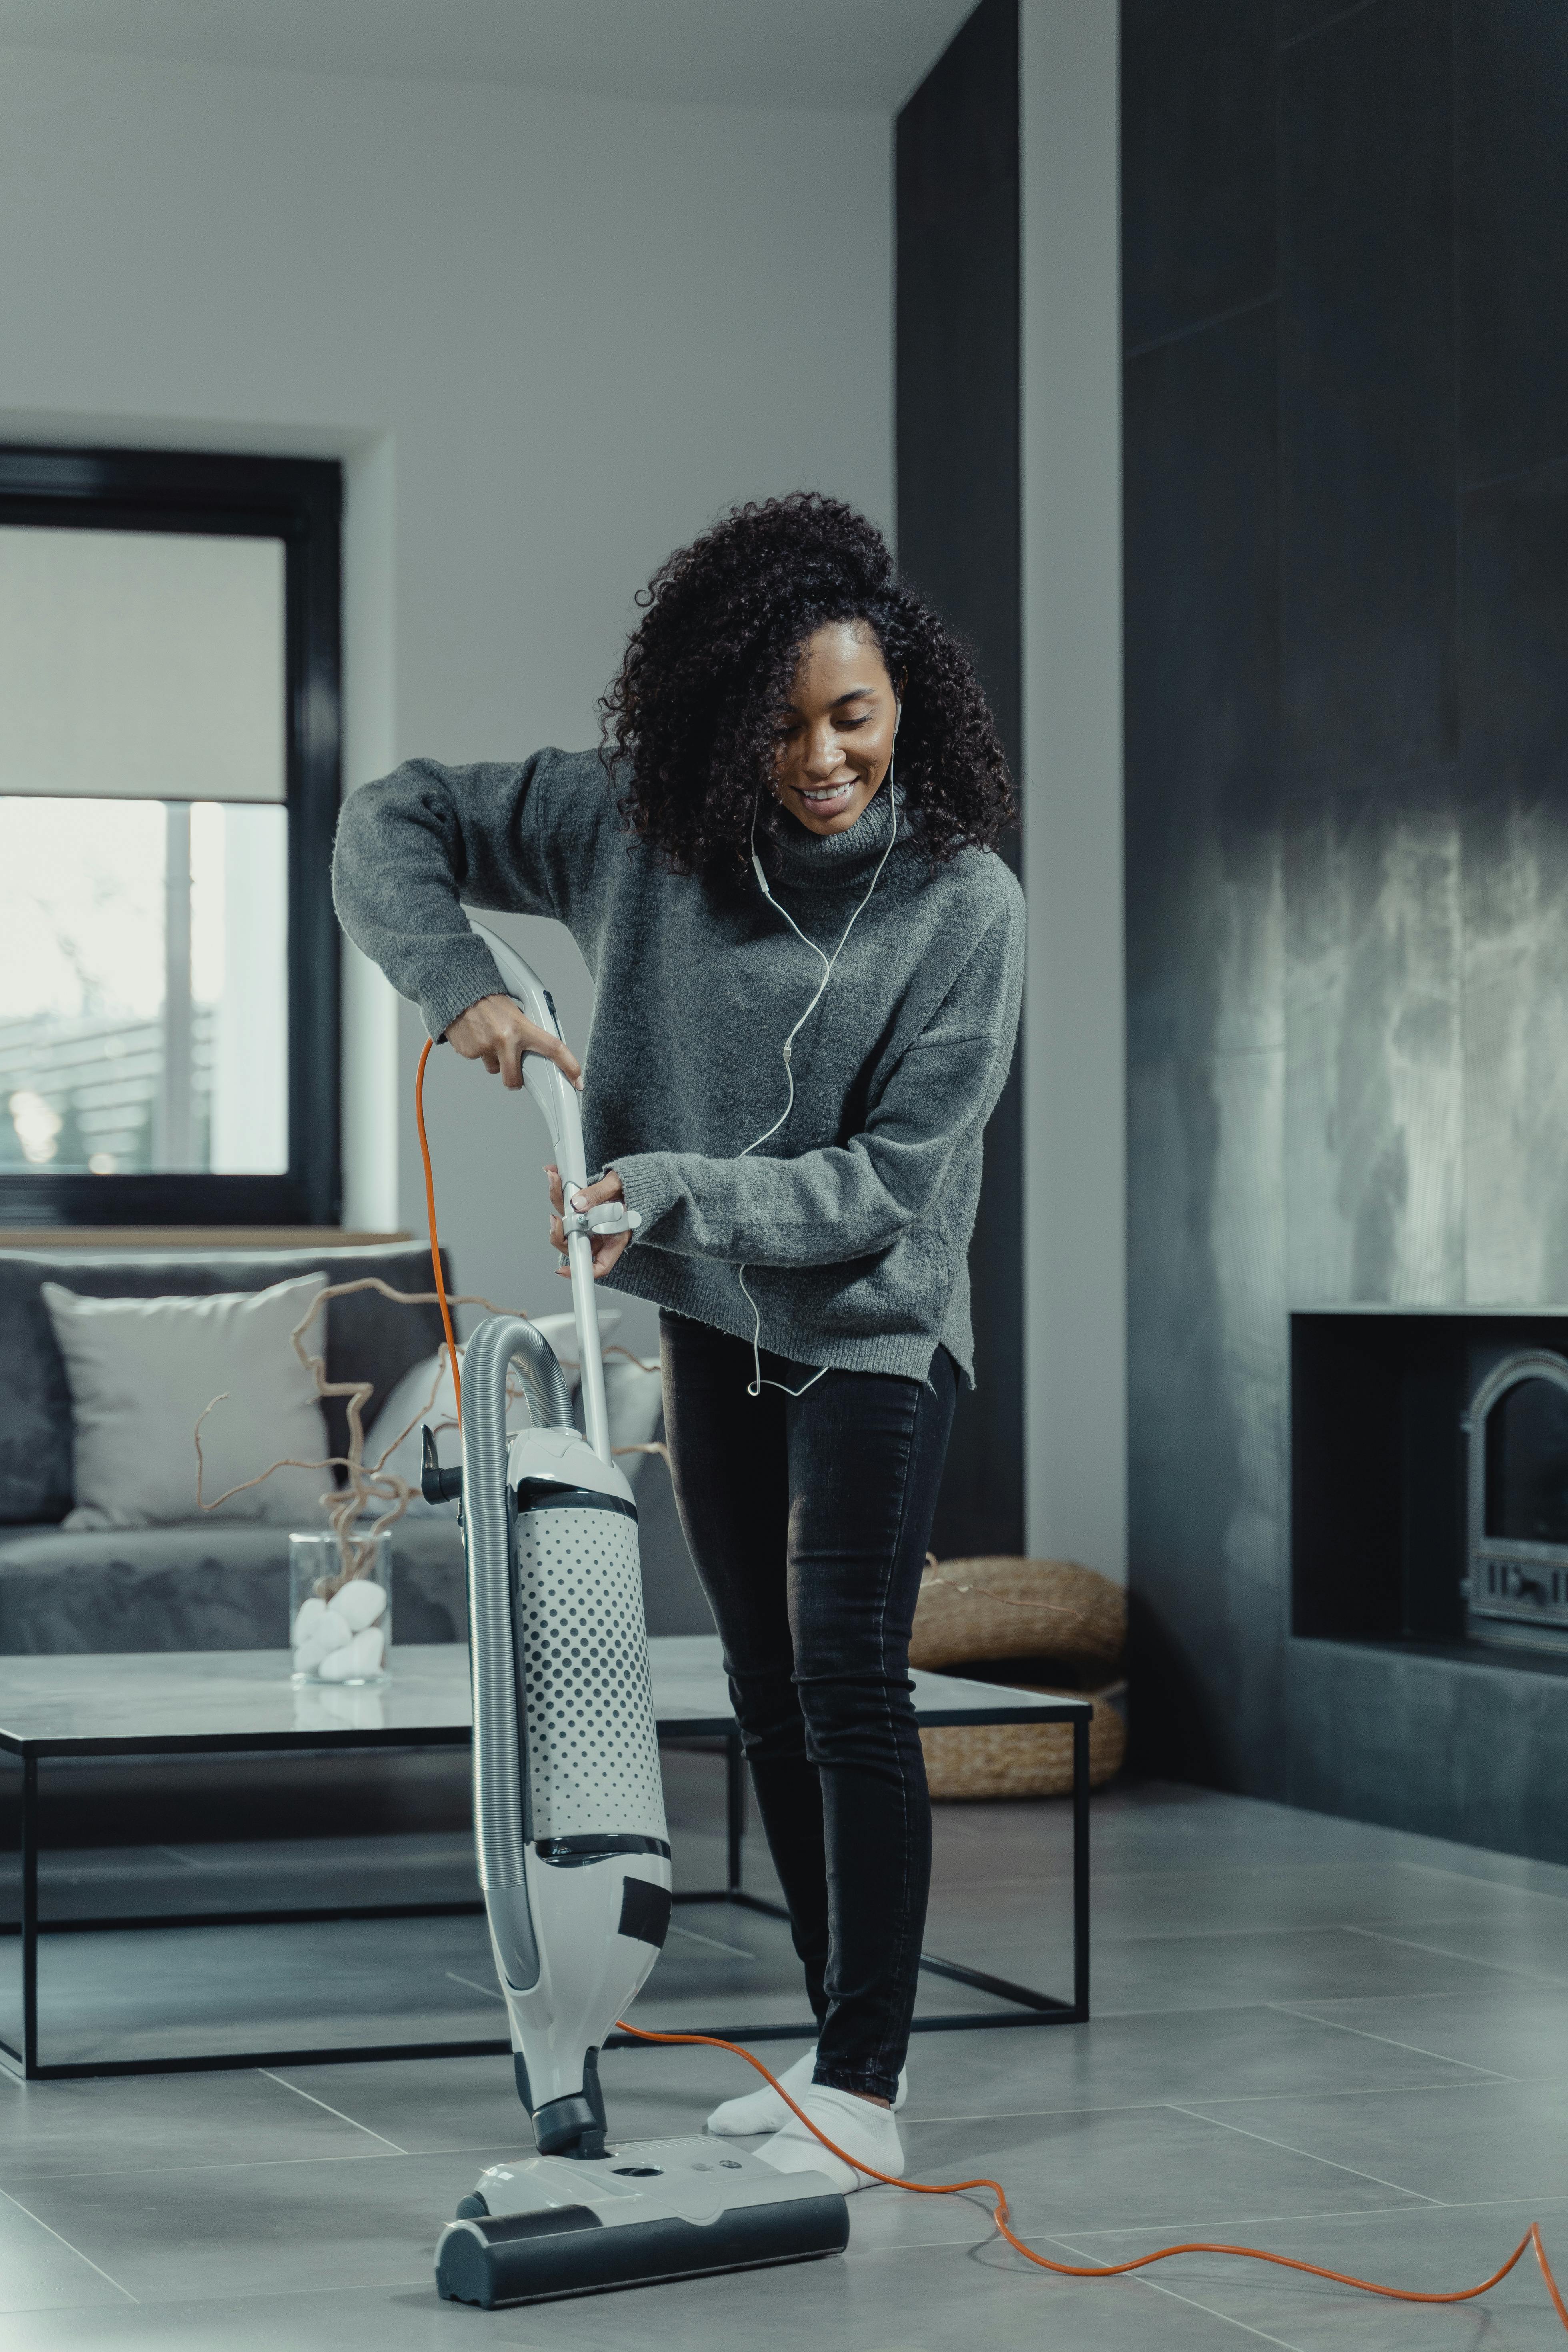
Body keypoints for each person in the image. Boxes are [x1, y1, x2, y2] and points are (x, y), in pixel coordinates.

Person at [332, 492, 1022, 2192]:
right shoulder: (630, 830)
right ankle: (820, 2050)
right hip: (716, 1311)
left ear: (903, 702)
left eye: (850, 716)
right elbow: (387, 818)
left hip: (872, 1317)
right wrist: (460, 983)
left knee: (848, 1674)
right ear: (717, 721)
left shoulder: (964, 905)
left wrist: (660, 1187)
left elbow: (887, 1187)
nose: (820, 756)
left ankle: (865, 2079)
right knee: (765, 1689)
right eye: (780, 724)